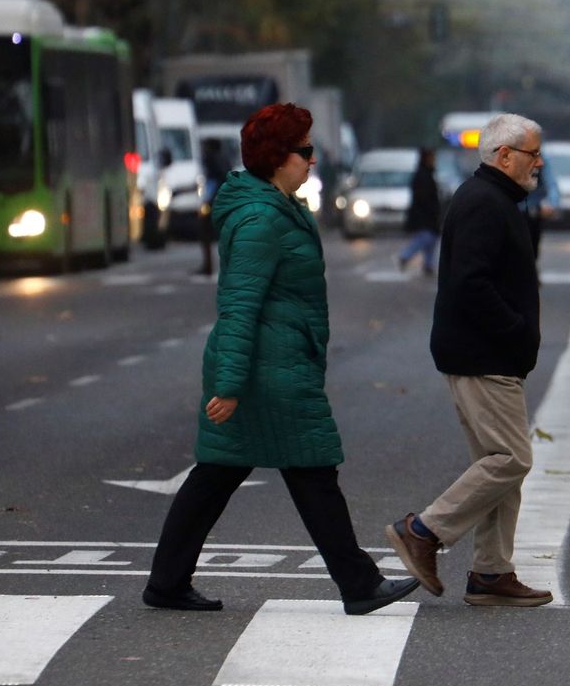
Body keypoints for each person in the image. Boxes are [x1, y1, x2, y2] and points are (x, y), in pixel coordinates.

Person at [144, 103, 419, 617]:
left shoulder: (279, 208)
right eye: (305, 151)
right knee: (312, 466)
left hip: (275, 360)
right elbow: (238, 305)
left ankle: (166, 582)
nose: (313, 160)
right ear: (277, 158)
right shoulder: (261, 220)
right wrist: (227, 384)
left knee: (217, 474)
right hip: (267, 369)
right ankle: (358, 583)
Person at [386, 113, 551, 607]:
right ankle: (423, 529)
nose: (539, 162)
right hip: (484, 354)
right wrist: (514, 329)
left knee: (497, 463)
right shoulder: (484, 202)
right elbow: (470, 283)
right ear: (503, 155)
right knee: (511, 459)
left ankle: (490, 573)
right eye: (532, 153)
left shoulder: (494, 198)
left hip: (488, 353)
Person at [397, 147, 442, 277]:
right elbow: (424, 197)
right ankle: (407, 256)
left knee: (430, 239)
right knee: (426, 237)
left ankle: (428, 264)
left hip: (425, 214)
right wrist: (432, 211)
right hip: (424, 215)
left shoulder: (425, 174)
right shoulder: (424, 175)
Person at [195, 137, 233, 276]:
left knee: (205, 232)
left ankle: (208, 266)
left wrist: (206, 201)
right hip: (225, 201)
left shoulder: (211, 160)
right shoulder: (225, 160)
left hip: (213, 202)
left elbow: (212, 182)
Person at [517, 161, 560, 261]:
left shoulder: (540, 159)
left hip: (532, 209)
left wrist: (552, 204)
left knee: (532, 248)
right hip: (514, 207)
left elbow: (551, 182)